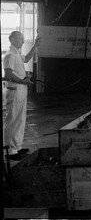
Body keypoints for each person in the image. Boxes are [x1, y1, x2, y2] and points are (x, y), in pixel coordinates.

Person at [3, 31, 41, 160]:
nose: (23, 41)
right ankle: (10, 151)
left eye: (23, 39)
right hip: (15, 90)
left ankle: (17, 147)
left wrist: (35, 46)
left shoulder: (17, 54)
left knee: (20, 118)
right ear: (11, 39)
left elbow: (27, 58)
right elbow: (8, 75)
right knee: (12, 119)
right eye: (20, 39)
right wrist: (22, 81)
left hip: (21, 89)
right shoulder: (10, 55)